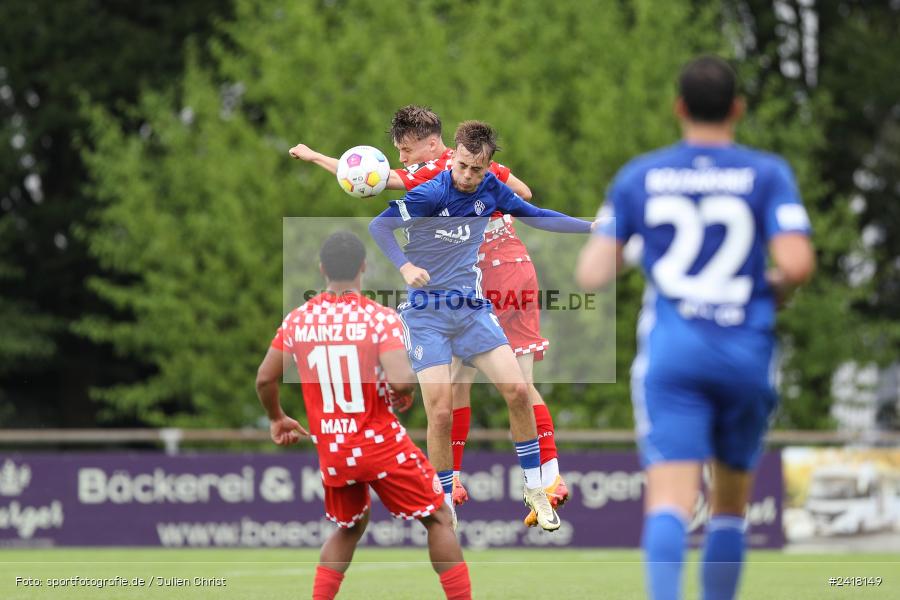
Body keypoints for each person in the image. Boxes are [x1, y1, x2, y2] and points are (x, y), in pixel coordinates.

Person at [575, 56, 815, 600]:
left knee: (670, 500)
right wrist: (771, 288)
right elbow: (797, 263)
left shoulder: (639, 176)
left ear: (678, 107)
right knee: (730, 505)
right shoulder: (767, 172)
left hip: (675, 353)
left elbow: (591, 272)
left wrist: (633, 247)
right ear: (738, 108)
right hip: (745, 350)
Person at [290, 106, 569, 527]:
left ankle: (469, 484)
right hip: (513, 266)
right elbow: (525, 194)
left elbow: (366, 179)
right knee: (500, 385)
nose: (400, 159)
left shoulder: (431, 177)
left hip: (477, 276)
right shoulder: (476, 165)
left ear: (432, 143)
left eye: (405, 150)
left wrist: (317, 158)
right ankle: (537, 479)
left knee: (462, 391)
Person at [368, 120, 595, 531]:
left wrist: (592, 227)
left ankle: (535, 489)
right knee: (438, 413)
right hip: (427, 316)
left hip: (472, 311)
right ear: (452, 157)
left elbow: (537, 214)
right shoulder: (432, 191)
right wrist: (405, 265)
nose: (468, 176)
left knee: (517, 391)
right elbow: (379, 225)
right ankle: (444, 500)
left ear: (488, 167)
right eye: (463, 167)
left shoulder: (491, 190)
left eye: (477, 170)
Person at [255, 231, 471, 600]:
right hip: (380, 443)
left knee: (348, 528)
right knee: (438, 518)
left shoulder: (297, 320)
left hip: (334, 449)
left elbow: (265, 378)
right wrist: (398, 392)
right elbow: (402, 383)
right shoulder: (378, 318)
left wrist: (277, 417)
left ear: (322, 269)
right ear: (363, 268)